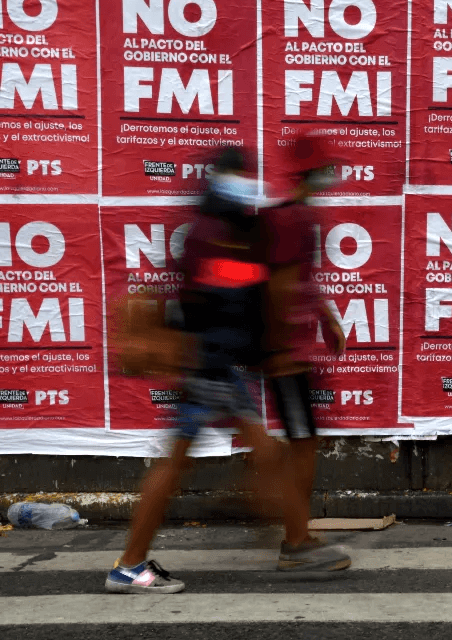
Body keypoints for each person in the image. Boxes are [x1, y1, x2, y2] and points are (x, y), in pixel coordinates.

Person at [105, 147, 345, 594]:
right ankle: (297, 544)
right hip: (211, 366)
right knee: (257, 458)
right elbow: (223, 299)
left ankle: (132, 563)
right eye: (239, 175)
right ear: (222, 180)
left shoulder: (219, 226)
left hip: (210, 364)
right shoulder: (212, 231)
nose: (246, 184)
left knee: (182, 464)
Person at [260, 129, 350, 571]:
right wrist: (280, 349)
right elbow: (280, 285)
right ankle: (294, 542)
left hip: (294, 350)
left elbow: (303, 280)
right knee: (301, 444)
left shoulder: (298, 216)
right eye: (324, 169)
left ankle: (298, 529)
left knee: (305, 442)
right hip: (287, 355)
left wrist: (328, 319)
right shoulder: (292, 218)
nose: (330, 176)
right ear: (309, 172)